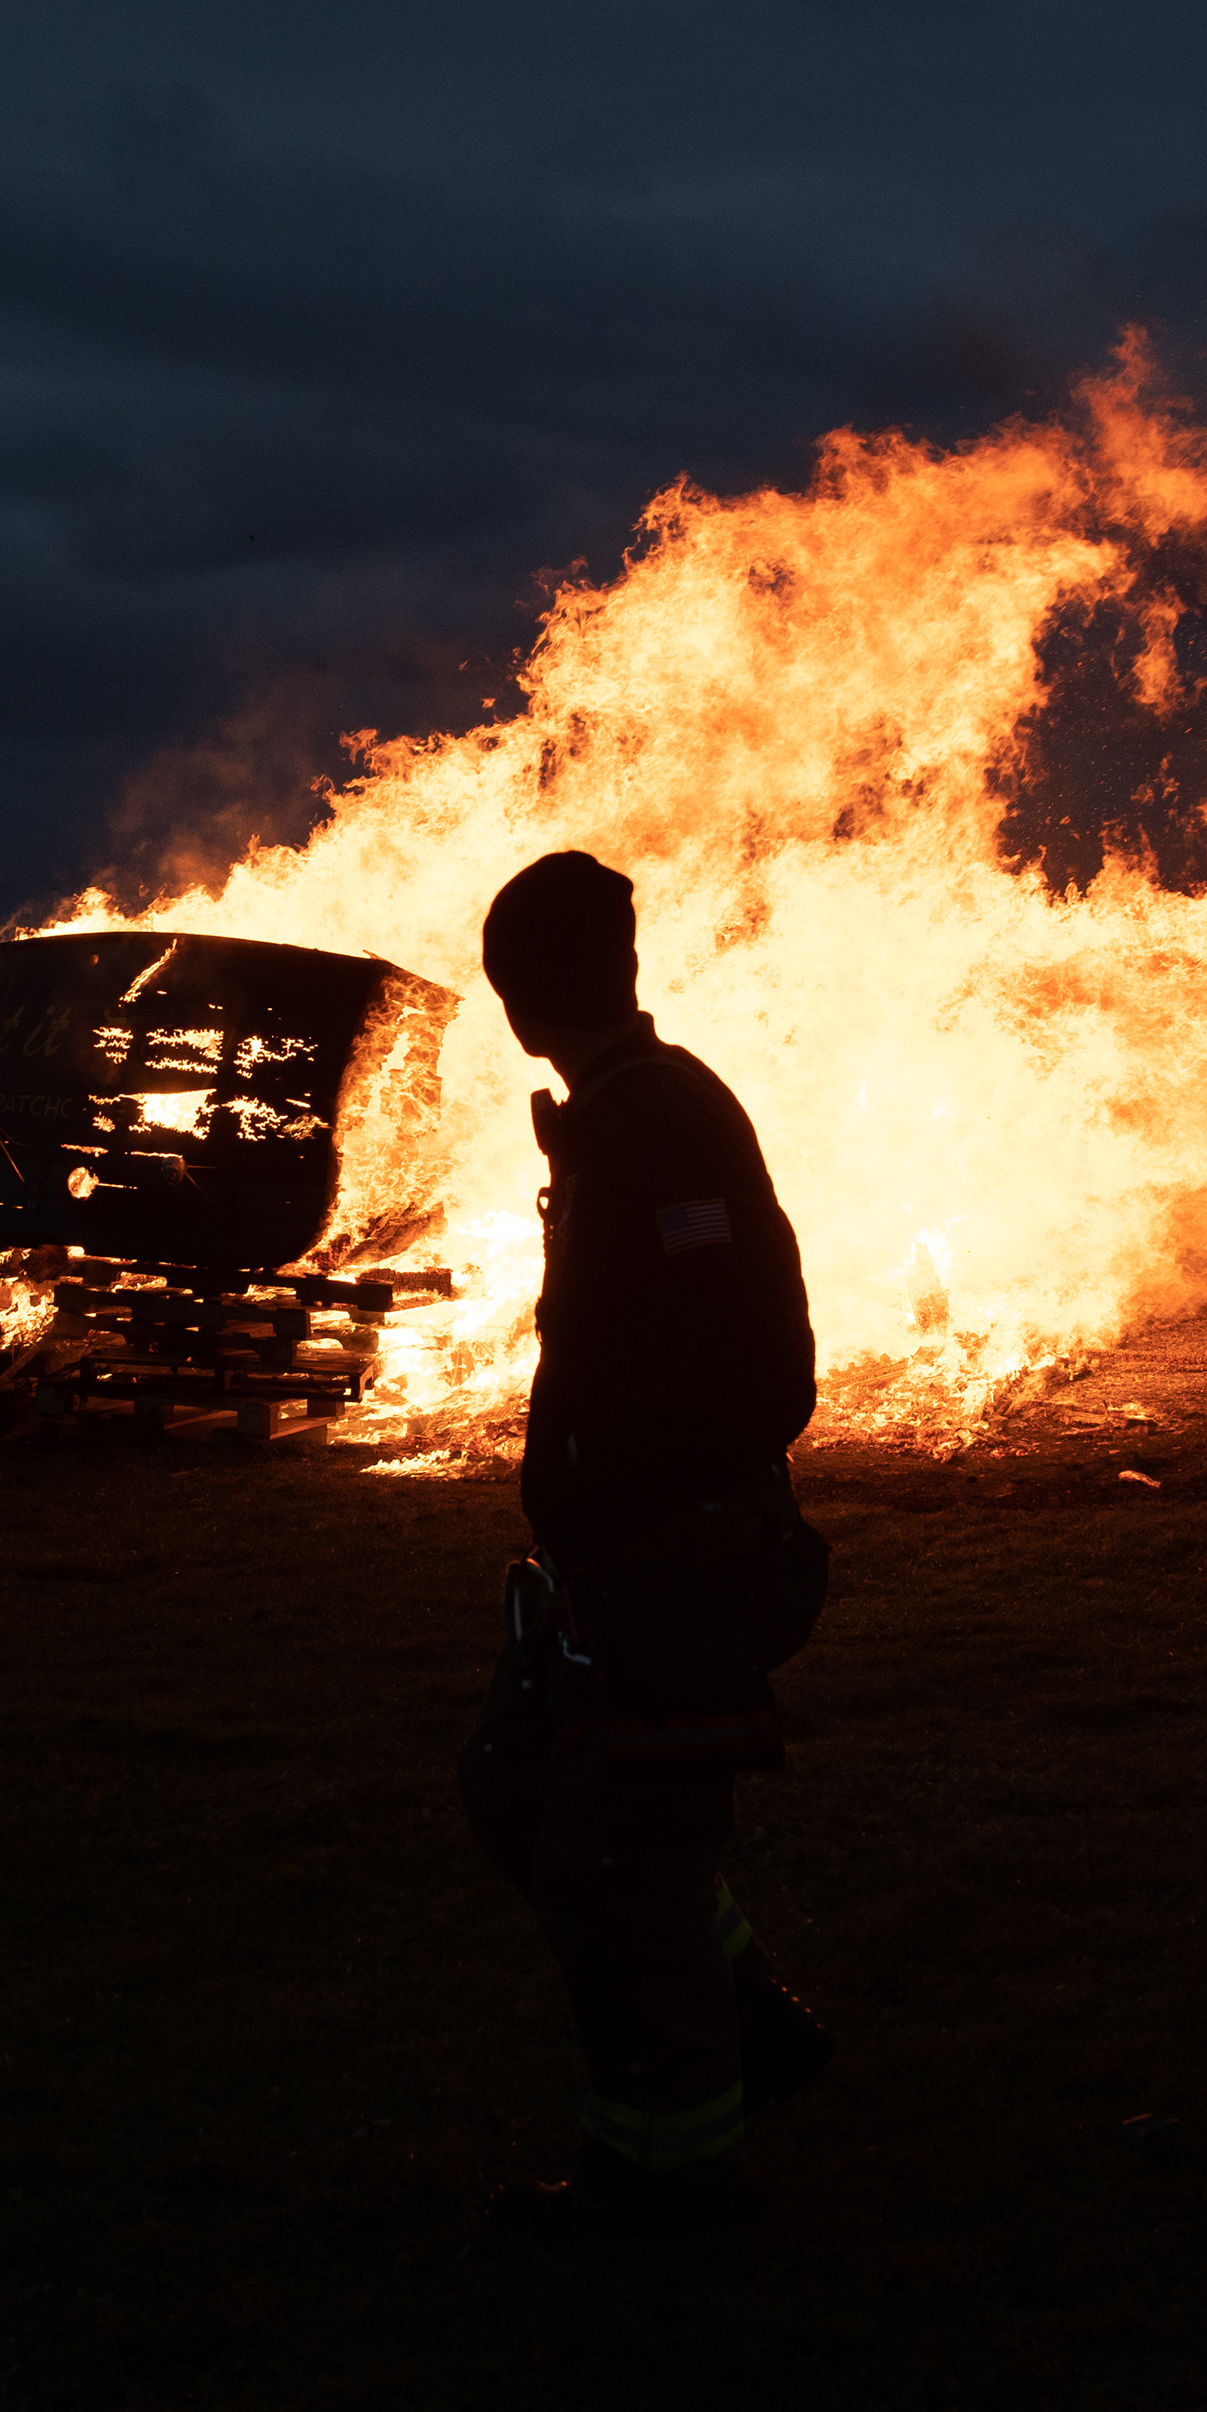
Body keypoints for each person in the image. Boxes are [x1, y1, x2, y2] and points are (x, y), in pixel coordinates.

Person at [460, 850, 837, 2238]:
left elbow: (758, 1371)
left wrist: (622, 1492)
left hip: (683, 1569)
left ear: (540, 991)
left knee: (623, 1874)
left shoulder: (660, 1122)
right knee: (522, 1801)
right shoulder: (619, 1114)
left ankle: (666, 2185)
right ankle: (749, 2021)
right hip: (624, 1562)